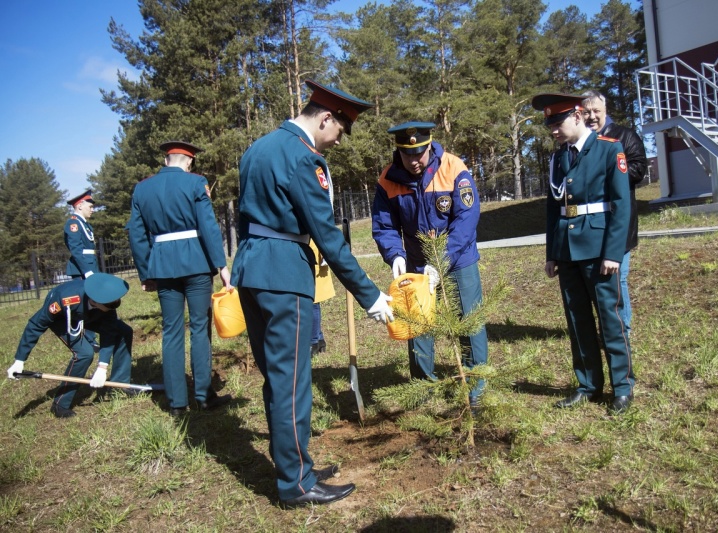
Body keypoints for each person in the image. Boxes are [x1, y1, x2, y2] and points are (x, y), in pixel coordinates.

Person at [231, 80, 394, 508]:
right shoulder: (305, 159)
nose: (338, 140)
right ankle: (297, 484)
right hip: (285, 273)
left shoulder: (257, 148)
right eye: (339, 131)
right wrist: (371, 296)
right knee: (293, 383)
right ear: (325, 118)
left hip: (251, 268)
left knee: (278, 380)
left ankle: (294, 466)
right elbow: (327, 235)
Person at [371, 121, 488, 409]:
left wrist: (443, 257)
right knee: (418, 325)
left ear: (429, 145)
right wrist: (395, 255)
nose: (414, 161)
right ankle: (423, 384)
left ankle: (475, 383)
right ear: (399, 151)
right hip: (415, 262)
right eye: (407, 155)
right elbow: (384, 226)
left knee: (468, 321)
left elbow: (467, 218)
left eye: (420, 154)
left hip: (458, 258)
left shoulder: (453, 168)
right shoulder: (388, 179)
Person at [532, 93, 635, 415]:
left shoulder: (609, 149)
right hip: (567, 251)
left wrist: (614, 253)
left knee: (610, 320)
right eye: (549, 124)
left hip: (599, 249)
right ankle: (588, 385)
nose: (553, 130)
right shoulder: (558, 159)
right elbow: (553, 208)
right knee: (577, 322)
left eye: (557, 123)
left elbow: (621, 206)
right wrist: (552, 253)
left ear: (577, 117)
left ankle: (622, 387)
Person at [127, 140, 233, 417]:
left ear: (166, 161)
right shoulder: (196, 183)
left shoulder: (142, 188)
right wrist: (221, 266)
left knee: (171, 331)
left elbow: (136, 235)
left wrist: (146, 272)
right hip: (196, 262)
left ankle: (176, 403)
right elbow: (208, 227)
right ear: (189, 162)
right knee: (200, 328)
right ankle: (203, 395)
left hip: (162, 265)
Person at [5, 273, 133, 418]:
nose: (115, 305)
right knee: (84, 354)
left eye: (117, 302)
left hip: (93, 314)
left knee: (124, 331)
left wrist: (102, 367)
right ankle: (60, 405)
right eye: (112, 304)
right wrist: (19, 360)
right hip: (63, 318)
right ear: (95, 300)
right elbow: (36, 325)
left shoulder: (106, 302)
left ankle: (119, 385)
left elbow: (109, 333)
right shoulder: (64, 299)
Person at [582, 91, 647, 336]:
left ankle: (622, 331)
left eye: (596, 111)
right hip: (591, 226)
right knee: (598, 281)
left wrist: (607, 172)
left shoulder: (625, 136)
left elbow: (639, 169)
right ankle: (606, 328)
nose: (591, 117)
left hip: (619, 221)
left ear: (605, 110)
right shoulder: (581, 142)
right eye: (586, 112)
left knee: (617, 278)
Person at [63, 190, 100, 348]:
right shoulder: (73, 224)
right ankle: (86, 340)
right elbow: (76, 250)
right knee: (84, 304)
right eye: (89, 206)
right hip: (82, 270)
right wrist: (87, 271)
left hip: (90, 265)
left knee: (92, 302)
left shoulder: (84, 224)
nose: (92, 209)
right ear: (79, 206)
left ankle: (92, 338)